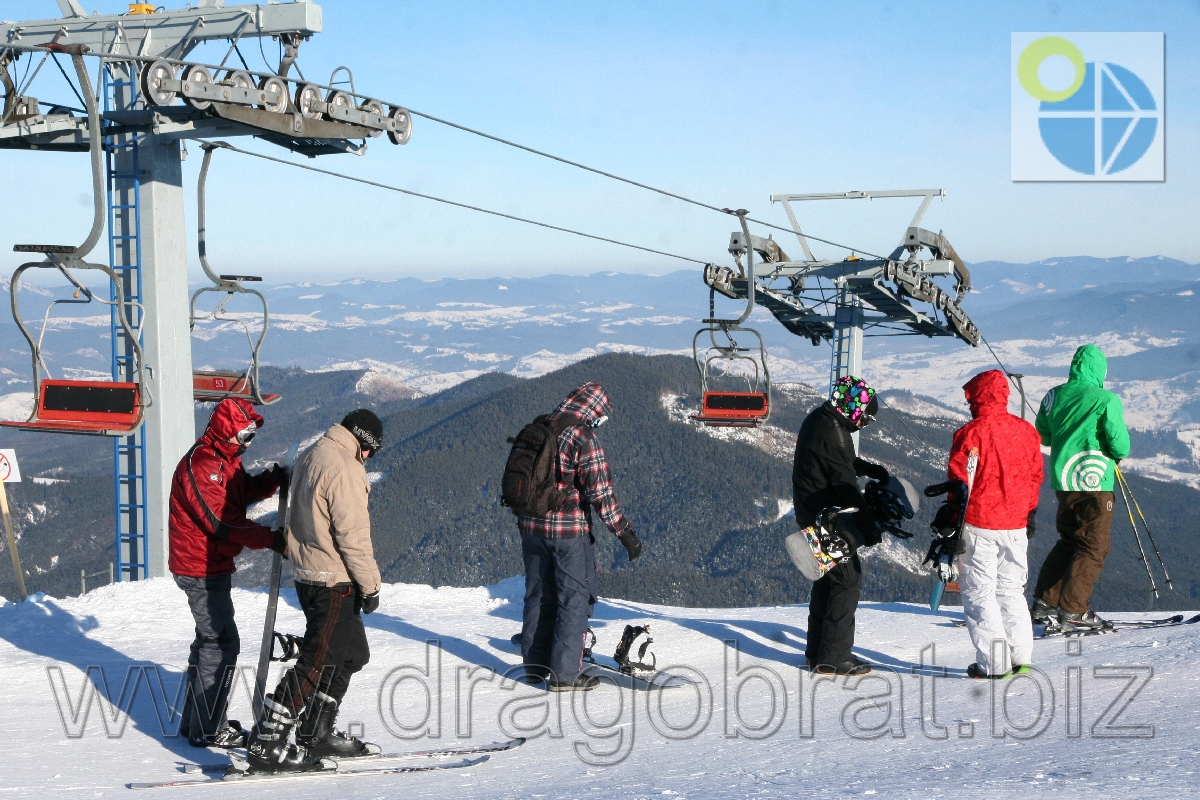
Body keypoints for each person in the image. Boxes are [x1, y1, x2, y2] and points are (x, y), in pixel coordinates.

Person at [246, 409, 384, 772]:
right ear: (362, 440)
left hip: (310, 573)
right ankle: (268, 741)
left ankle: (316, 730)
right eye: (371, 450)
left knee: (352, 654)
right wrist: (370, 586)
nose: (368, 458)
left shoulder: (313, 452)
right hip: (333, 580)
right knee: (318, 658)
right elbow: (352, 536)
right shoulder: (343, 466)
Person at [169, 397, 285, 749]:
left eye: (251, 437)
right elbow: (221, 520)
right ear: (225, 432)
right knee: (221, 644)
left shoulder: (223, 460)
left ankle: (198, 722)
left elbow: (240, 491)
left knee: (209, 642)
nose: (247, 444)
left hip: (209, 563)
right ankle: (208, 728)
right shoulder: (202, 465)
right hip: (199, 567)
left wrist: (272, 481)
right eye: (243, 436)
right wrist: (269, 539)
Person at [518, 382, 641, 692]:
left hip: (531, 530)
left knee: (539, 596)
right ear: (592, 410)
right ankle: (564, 676)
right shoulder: (582, 437)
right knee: (573, 600)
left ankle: (534, 667)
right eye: (600, 415)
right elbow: (601, 493)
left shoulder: (537, 427)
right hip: (568, 534)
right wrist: (625, 533)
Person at [946, 370, 1043, 679]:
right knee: (1011, 590)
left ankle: (994, 664)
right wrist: (1029, 512)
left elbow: (959, 480)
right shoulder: (1026, 431)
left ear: (976, 398)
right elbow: (1035, 477)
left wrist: (951, 518)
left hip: (980, 522)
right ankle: (1020, 656)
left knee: (979, 593)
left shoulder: (971, 433)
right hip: (1016, 524)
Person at [792, 375, 889, 676]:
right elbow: (844, 483)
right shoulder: (831, 431)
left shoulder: (826, 421)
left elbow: (841, 461)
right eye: (866, 417)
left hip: (815, 513)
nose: (866, 423)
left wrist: (865, 467)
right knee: (847, 580)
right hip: (825, 519)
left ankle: (818, 652)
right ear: (853, 408)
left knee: (828, 581)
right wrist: (867, 523)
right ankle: (833, 657)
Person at [1031, 344, 1130, 633]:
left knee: (1069, 540)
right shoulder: (1105, 399)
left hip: (1064, 482)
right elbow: (1120, 445)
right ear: (1100, 371)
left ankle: (1045, 604)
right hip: (1096, 482)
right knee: (1093, 545)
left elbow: (1044, 435)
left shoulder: (1053, 395)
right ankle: (1074, 611)